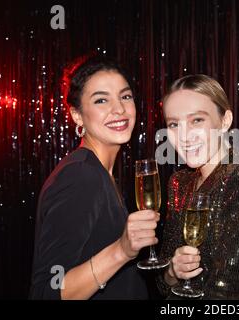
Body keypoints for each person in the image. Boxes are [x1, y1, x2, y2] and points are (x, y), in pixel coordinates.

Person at [30, 55, 159, 300]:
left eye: (125, 96)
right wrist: (121, 251)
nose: (119, 109)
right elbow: (46, 292)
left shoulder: (100, 172)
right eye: (101, 100)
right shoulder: (81, 175)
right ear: (77, 115)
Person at [157, 74, 239, 299]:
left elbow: (230, 291)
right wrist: (172, 271)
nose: (185, 136)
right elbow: (162, 283)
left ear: (225, 121)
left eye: (197, 120)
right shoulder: (179, 182)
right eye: (173, 124)